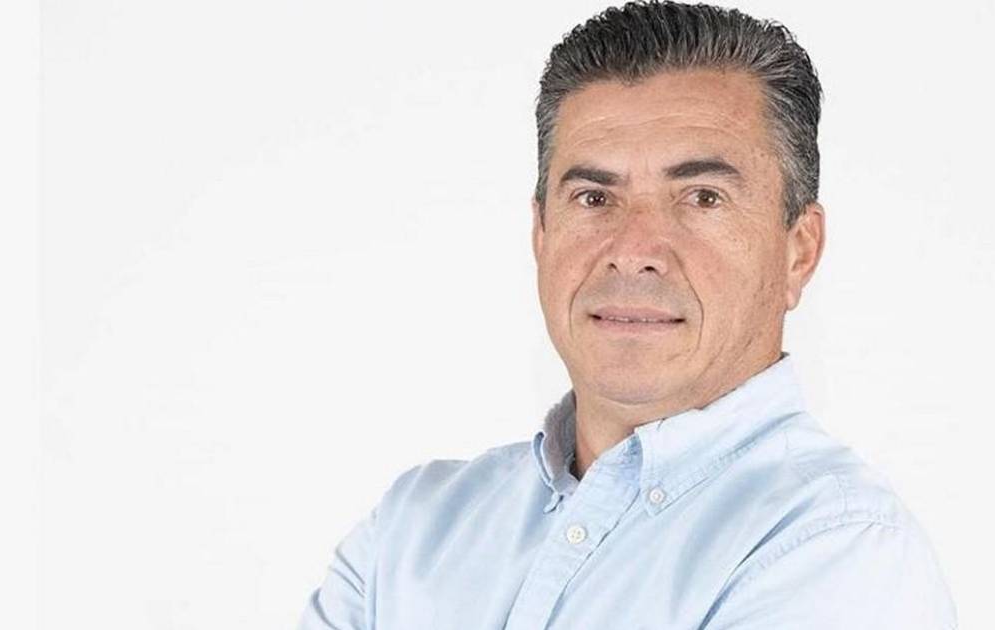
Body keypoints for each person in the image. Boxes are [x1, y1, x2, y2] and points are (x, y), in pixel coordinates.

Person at [298, 2, 958, 628]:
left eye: (701, 197)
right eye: (593, 197)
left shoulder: (836, 549)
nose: (634, 250)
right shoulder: (415, 530)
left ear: (799, 250)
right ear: (541, 235)